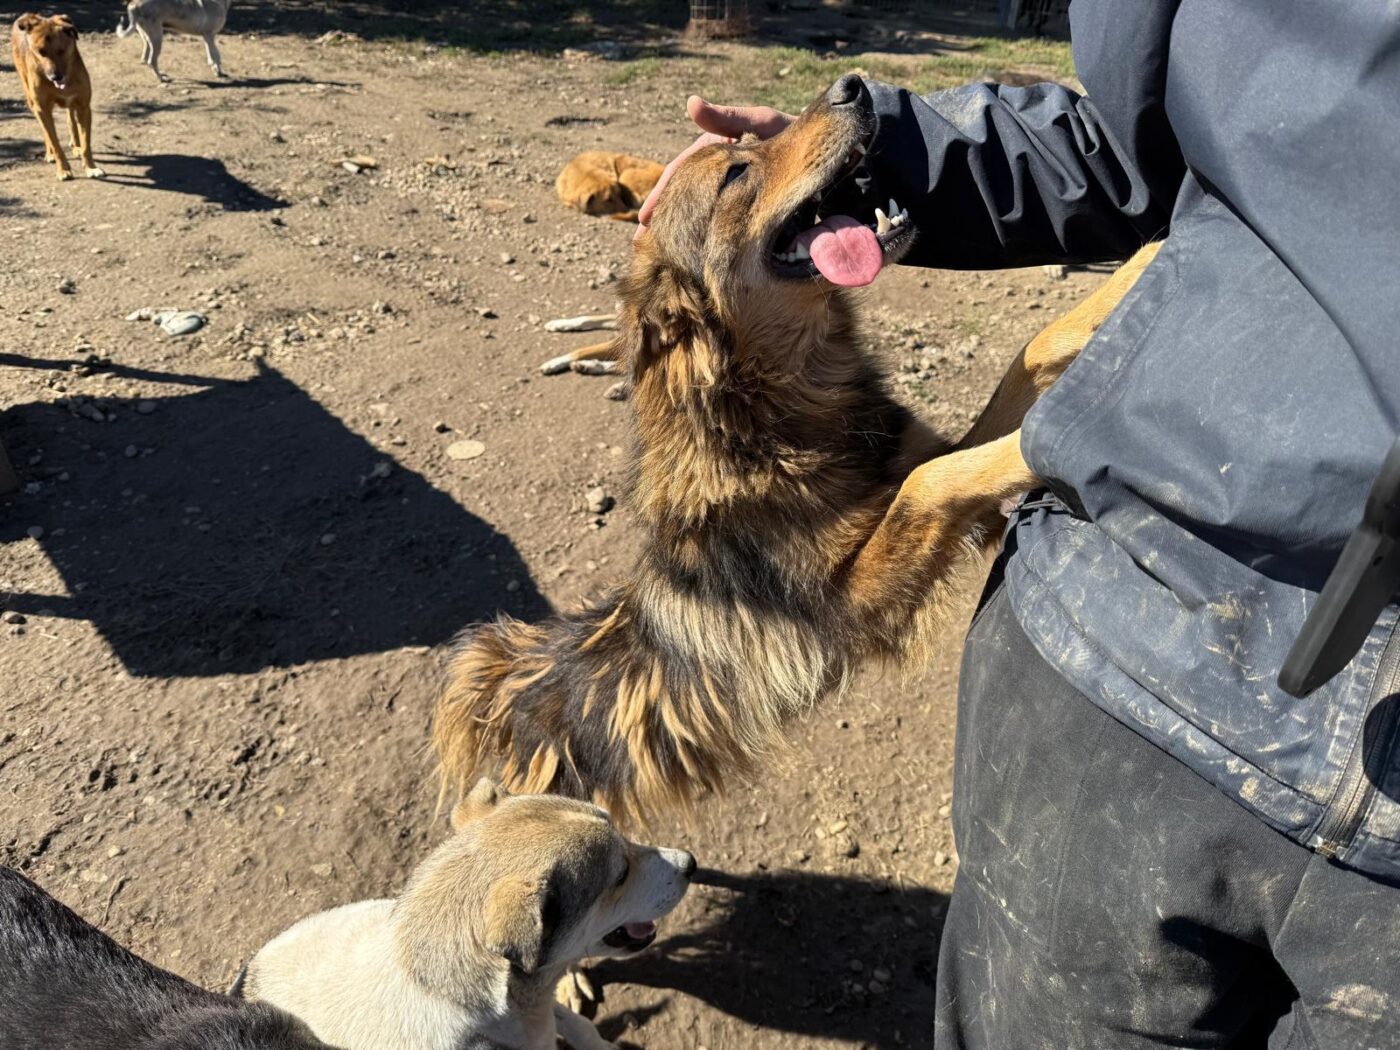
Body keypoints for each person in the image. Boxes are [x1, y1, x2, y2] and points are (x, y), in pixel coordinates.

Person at [638, 2, 1400, 1046]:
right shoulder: (736, 465)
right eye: (741, 177)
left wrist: (1017, 420)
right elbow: (1128, 137)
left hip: (1132, 627)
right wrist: (883, 152)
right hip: (1134, 638)